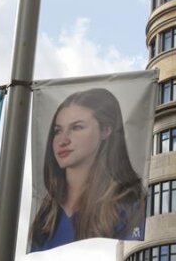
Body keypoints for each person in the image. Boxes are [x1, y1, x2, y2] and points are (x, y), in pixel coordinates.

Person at [30, 88, 146, 252]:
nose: (63, 140)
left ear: (105, 130)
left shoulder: (129, 205)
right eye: (58, 131)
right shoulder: (46, 214)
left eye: (77, 128)